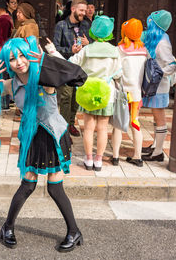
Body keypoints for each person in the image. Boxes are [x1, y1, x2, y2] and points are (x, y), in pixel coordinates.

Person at [0, 36, 87, 252]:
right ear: (7, 62)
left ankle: (74, 231)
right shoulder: (11, 84)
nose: (19, 62)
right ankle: (7, 227)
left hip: (53, 136)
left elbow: (79, 76)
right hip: (31, 137)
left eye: (23, 56)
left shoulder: (44, 77)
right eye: (13, 58)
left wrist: (47, 60)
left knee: (55, 188)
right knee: (28, 185)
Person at [47, 15, 121, 171]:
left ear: (93, 31)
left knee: (88, 128)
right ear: (110, 32)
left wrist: (53, 52)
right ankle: (98, 161)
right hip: (107, 93)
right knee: (102, 128)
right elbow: (118, 74)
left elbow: (70, 64)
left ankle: (88, 159)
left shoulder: (87, 50)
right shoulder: (115, 51)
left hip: (87, 91)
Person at [53, 0, 92, 139]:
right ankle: (63, 128)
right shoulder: (61, 26)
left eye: (85, 10)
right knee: (66, 97)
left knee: (76, 99)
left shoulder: (87, 25)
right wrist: (70, 50)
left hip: (81, 68)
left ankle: (70, 124)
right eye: (81, 10)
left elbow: (94, 45)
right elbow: (55, 49)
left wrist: (89, 43)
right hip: (65, 67)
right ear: (73, 9)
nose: (84, 13)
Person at [141, 10, 176, 161]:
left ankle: (158, 152)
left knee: (160, 118)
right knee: (157, 118)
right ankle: (156, 146)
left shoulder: (162, 43)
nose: (147, 23)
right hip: (155, 86)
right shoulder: (157, 39)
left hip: (159, 87)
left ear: (154, 24)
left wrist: (158, 73)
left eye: (150, 21)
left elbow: (172, 64)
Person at [112, 18, 147, 167]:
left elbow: (115, 72)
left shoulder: (119, 50)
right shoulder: (144, 50)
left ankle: (115, 157)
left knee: (118, 124)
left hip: (122, 93)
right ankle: (138, 156)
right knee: (135, 123)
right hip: (136, 93)